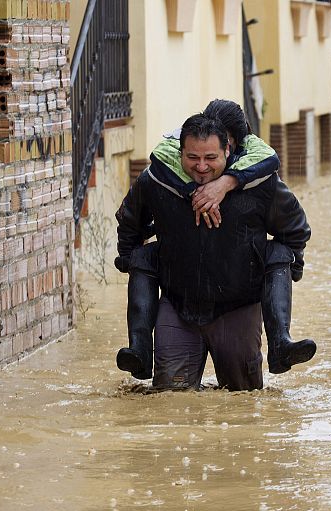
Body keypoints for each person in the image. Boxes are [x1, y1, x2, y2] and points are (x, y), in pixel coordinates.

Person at [114, 113, 312, 391]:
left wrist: (292, 267)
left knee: (244, 401)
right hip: (178, 304)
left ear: (228, 151)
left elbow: (294, 227)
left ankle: (281, 344)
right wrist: (129, 260)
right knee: (169, 401)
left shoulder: (262, 184)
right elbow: (129, 221)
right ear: (179, 152)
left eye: (211, 158)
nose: (202, 167)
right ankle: (139, 350)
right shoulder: (156, 181)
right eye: (193, 157)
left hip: (238, 306)